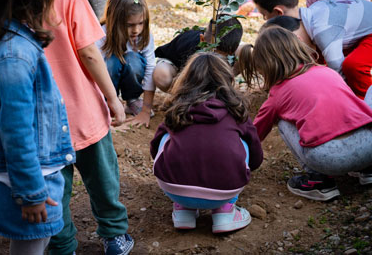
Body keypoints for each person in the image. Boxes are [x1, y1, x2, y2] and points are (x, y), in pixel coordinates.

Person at [0, 0, 76, 254]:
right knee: (31, 244)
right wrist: (31, 193)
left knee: (35, 242)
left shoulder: (7, 40)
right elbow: (16, 131)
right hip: (26, 177)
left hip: (27, 173)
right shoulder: (14, 54)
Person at [44, 0, 133, 255]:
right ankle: (114, 236)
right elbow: (89, 52)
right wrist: (113, 98)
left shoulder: (1, 1)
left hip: (40, 123)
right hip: (84, 112)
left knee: (55, 192)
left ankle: (62, 247)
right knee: (103, 178)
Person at [237, 26, 372, 201]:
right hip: (369, 146)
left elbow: (255, 135)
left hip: (329, 159)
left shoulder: (277, 93)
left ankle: (319, 181)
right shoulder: (327, 71)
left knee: (284, 123)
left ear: (265, 64)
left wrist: (238, 156)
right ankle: (367, 171)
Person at [150, 52, 263, 233]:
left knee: (167, 137)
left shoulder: (178, 109)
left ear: (186, 80)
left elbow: (155, 148)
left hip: (174, 187)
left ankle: (183, 209)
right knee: (240, 141)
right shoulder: (236, 112)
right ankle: (225, 211)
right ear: (226, 80)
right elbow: (256, 157)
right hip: (225, 190)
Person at [98, 0, 155, 128]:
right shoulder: (101, 34)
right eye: (129, 25)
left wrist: (146, 111)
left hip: (131, 75)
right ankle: (108, 101)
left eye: (141, 23)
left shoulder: (144, 36)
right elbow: (94, 68)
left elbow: (150, 68)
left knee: (133, 59)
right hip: (108, 87)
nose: (136, 30)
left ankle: (132, 99)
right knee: (110, 61)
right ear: (115, 20)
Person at [153, 15, 243, 92]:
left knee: (244, 52)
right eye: (213, 53)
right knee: (161, 74)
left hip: (212, 70)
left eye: (220, 56)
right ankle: (178, 97)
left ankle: (223, 87)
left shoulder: (230, 46)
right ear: (202, 39)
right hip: (178, 68)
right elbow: (190, 77)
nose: (216, 58)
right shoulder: (191, 47)